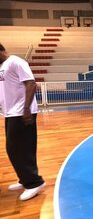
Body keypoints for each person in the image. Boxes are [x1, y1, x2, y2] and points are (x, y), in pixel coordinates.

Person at [0, 43, 46, 201]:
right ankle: (25, 178)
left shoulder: (16, 62)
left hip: (21, 112)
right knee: (17, 149)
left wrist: (26, 109)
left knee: (17, 148)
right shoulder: (3, 66)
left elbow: (31, 83)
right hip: (10, 113)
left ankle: (34, 183)